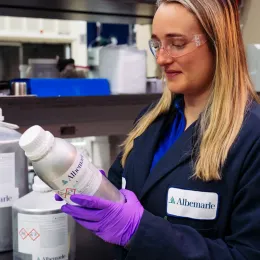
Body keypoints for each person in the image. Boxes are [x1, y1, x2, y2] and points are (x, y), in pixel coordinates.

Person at [56, 0, 260, 259]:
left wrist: (139, 232)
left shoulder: (252, 137)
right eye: (157, 44)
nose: (162, 58)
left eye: (177, 44)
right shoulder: (150, 121)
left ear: (218, 44)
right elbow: (119, 193)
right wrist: (92, 188)